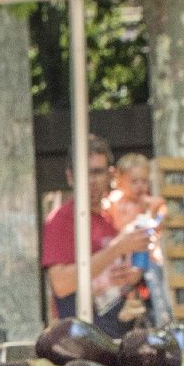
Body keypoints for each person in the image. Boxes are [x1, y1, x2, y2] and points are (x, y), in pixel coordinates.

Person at [40, 136, 150, 340]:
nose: (91, 180)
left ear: (110, 175)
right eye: (84, 173)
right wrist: (115, 250)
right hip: (83, 339)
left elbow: (128, 274)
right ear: (71, 177)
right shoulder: (62, 219)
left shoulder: (115, 216)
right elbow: (61, 284)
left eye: (97, 172)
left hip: (122, 332)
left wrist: (131, 274)